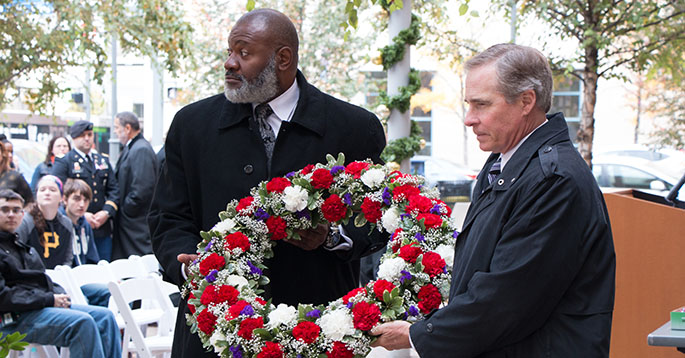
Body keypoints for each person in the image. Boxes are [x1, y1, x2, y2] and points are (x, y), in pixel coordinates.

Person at [149, 8, 387, 357]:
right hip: (213, 335)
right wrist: (189, 265)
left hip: (316, 332)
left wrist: (333, 238)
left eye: (244, 53)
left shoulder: (352, 127)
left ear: (283, 58)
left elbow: (379, 217)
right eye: (230, 51)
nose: (230, 63)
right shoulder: (191, 125)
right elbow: (167, 217)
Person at [371, 44, 616, 357]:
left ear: (526, 100)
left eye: (482, 105)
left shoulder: (553, 180)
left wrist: (418, 334)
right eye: (468, 105)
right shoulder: (507, 161)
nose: (469, 119)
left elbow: (509, 299)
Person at [0, 189, 121, 358]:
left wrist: (59, 295)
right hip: (12, 320)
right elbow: (4, 298)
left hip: (37, 309)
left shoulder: (22, 248)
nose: (11, 215)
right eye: (5, 209)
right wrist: (49, 299)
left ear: (22, 214)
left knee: (105, 317)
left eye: (16, 210)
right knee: (82, 324)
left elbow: (40, 280)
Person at [52, 120, 119, 261]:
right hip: (76, 224)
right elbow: (59, 192)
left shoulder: (102, 160)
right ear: (74, 138)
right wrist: (83, 214)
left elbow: (114, 189)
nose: (87, 139)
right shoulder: (65, 161)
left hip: (101, 224)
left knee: (103, 266)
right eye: (82, 136)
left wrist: (106, 212)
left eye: (90, 134)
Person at [112, 111, 158, 260]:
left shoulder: (141, 149)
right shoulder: (134, 147)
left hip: (136, 225)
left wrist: (127, 209)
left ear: (127, 128)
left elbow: (142, 189)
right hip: (132, 223)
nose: (115, 132)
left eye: (117, 128)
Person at [16, 175, 74, 269]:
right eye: (42, 190)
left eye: (52, 190)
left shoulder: (66, 223)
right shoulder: (25, 221)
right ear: (37, 195)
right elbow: (17, 254)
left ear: (62, 198)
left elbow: (67, 258)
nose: (47, 193)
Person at [61, 178, 100, 266]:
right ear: (65, 199)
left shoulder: (85, 225)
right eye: (77, 199)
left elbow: (92, 258)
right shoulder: (59, 224)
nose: (82, 205)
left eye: (86, 200)